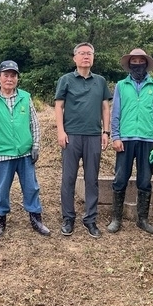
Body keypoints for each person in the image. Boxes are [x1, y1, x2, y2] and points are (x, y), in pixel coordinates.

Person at [0, 60, 50, 237]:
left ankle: (36, 218)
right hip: (2, 152)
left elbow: (34, 123)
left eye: (13, 75)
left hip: (24, 152)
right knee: (2, 189)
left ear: (17, 78)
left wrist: (36, 145)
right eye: (6, 75)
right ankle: (0, 221)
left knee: (31, 187)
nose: (10, 79)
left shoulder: (25, 96)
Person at [55, 42, 112, 238]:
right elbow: (59, 106)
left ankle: (90, 219)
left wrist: (106, 132)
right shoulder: (66, 80)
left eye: (89, 53)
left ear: (93, 58)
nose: (86, 56)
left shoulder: (101, 81)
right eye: (82, 53)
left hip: (93, 135)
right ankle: (68, 218)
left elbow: (105, 108)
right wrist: (61, 131)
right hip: (71, 135)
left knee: (91, 179)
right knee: (68, 178)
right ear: (75, 58)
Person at [108, 48, 153, 234]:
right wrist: (115, 136)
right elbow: (115, 112)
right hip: (125, 138)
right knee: (120, 178)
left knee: (144, 180)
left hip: (148, 139)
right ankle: (116, 218)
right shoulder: (121, 86)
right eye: (134, 61)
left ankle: (142, 218)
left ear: (146, 64)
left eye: (141, 61)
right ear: (129, 64)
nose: (137, 64)